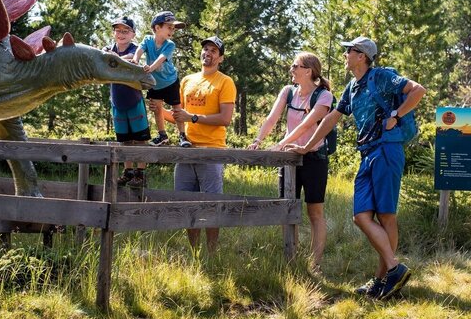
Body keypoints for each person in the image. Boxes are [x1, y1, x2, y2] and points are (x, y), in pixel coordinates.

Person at [287, 37, 426, 300]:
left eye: (348, 51)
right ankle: (394, 270)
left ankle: (383, 280)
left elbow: (418, 90)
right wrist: (307, 146)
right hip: (367, 153)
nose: (344, 55)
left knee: (386, 216)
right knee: (361, 216)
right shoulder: (352, 87)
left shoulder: (382, 77)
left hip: (387, 149)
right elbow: (330, 120)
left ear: (361, 56)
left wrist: (396, 115)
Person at [248, 52, 333, 271]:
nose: (291, 69)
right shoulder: (288, 92)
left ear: (308, 70)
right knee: (287, 209)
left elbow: (306, 124)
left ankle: (315, 263)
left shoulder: (324, 96)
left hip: (314, 158)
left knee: (315, 211)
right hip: (289, 159)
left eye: (295, 66)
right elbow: (272, 118)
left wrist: (279, 144)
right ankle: (292, 259)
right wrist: (258, 140)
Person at [171, 36, 236, 253]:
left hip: (212, 151)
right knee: (185, 202)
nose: (207, 53)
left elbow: (225, 118)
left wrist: (194, 118)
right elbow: (178, 116)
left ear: (221, 58)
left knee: (211, 204)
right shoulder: (187, 80)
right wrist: (158, 111)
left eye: (213, 51)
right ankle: (194, 253)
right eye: (206, 49)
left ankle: (211, 253)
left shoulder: (224, 82)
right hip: (186, 150)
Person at [103, 16, 151, 188]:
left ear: (133, 34)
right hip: (117, 101)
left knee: (140, 139)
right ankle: (128, 171)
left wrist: (117, 58)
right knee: (124, 139)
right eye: (118, 30)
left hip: (134, 100)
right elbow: (102, 61)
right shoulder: (108, 49)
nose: (121, 34)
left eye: (125, 31)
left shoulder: (135, 49)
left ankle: (141, 173)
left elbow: (133, 59)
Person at [133, 11, 190, 147]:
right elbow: (140, 50)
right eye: (169, 27)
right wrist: (135, 60)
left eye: (174, 28)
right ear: (157, 28)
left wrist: (150, 68)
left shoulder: (170, 45)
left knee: (177, 108)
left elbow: (161, 59)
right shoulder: (147, 40)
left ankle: (182, 135)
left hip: (170, 81)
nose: (172, 31)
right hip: (155, 83)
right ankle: (162, 135)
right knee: (157, 108)